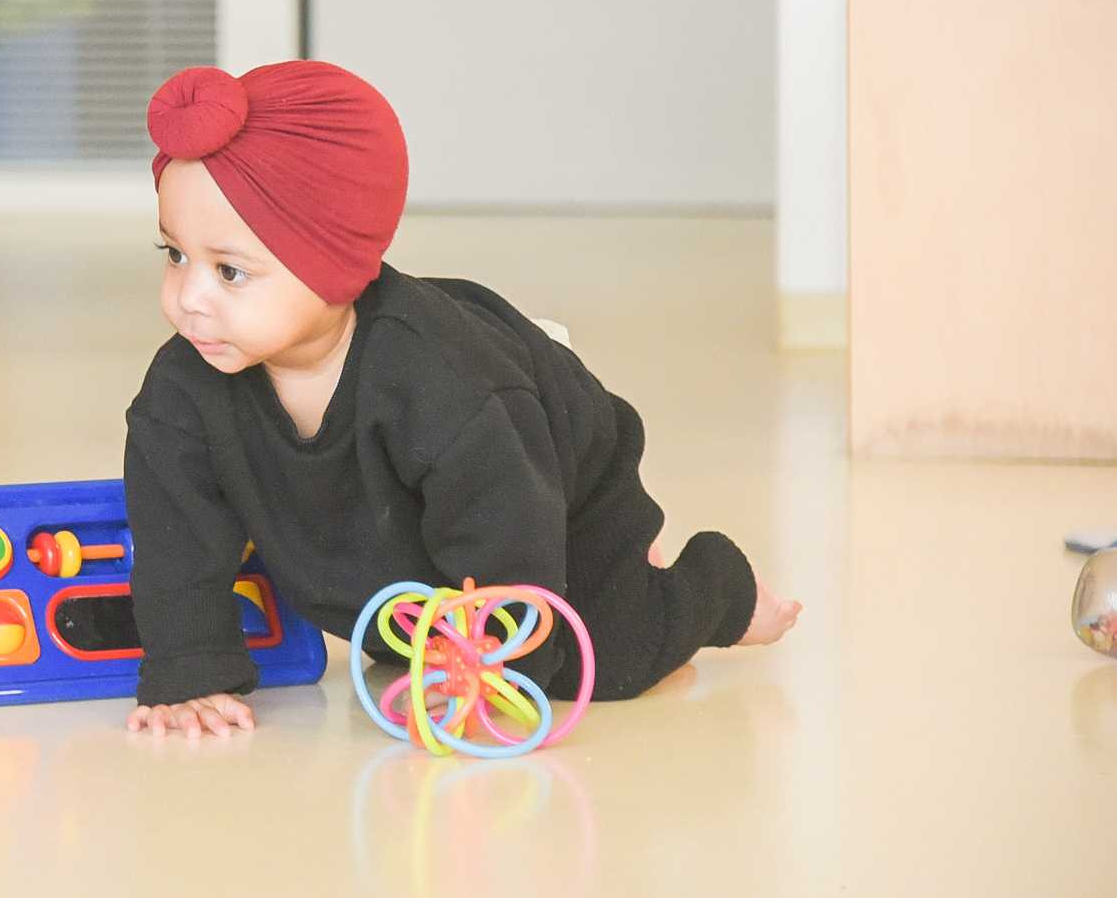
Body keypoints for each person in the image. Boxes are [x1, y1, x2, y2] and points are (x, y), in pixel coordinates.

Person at [123, 62, 799, 737]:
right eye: (175, 254)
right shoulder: (185, 384)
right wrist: (189, 672)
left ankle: (718, 589)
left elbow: (509, 524)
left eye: (229, 271)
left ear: (335, 265)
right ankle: (441, 614)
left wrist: (494, 666)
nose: (189, 298)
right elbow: (176, 529)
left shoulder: (440, 380)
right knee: (400, 630)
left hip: (554, 502)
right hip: (405, 539)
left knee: (603, 657)